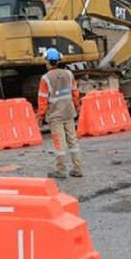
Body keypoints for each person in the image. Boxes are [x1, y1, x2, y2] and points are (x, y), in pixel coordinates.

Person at [36, 48, 84, 178]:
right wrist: (77, 107)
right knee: (73, 141)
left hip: (55, 116)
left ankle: (61, 170)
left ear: (47, 61)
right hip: (69, 113)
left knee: (59, 143)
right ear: (58, 61)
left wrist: (40, 117)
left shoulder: (45, 78)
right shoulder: (69, 74)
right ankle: (78, 168)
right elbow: (75, 94)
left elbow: (43, 100)